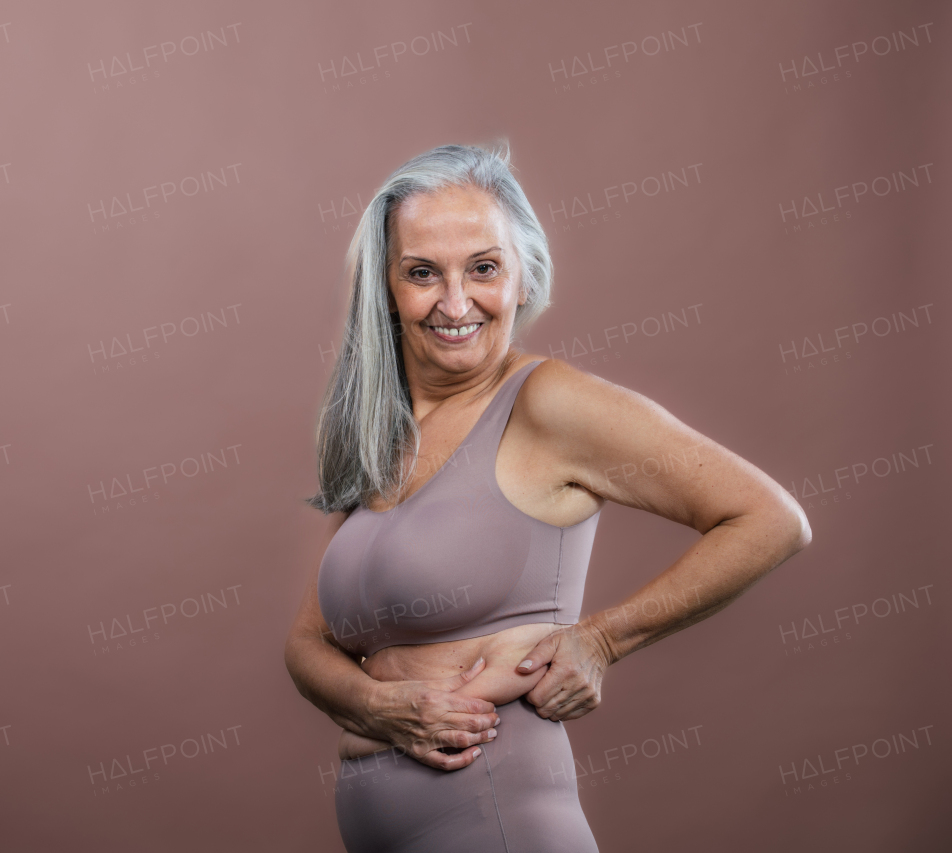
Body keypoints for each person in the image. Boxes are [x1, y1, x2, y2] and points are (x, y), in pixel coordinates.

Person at [284, 143, 811, 852]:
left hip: (498, 821)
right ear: (385, 288)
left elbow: (770, 518)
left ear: (524, 275)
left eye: (484, 267)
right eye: (421, 273)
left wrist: (599, 640)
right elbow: (308, 640)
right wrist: (379, 706)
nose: (455, 301)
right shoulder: (384, 435)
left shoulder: (548, 403)